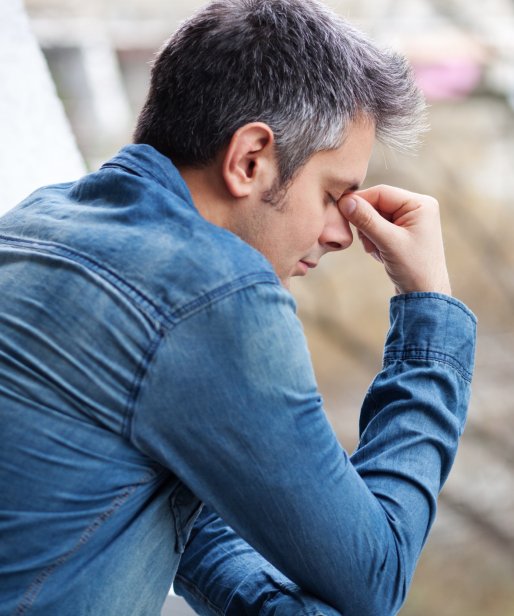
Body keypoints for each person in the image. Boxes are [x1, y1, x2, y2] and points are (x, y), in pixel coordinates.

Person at [0, 0, 476, 614]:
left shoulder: (35, 221)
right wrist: (429, 306)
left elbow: (184, 517)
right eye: (333, 194)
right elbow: (374, 575)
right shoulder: (208, 291)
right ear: (250, 160)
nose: (342, 232)